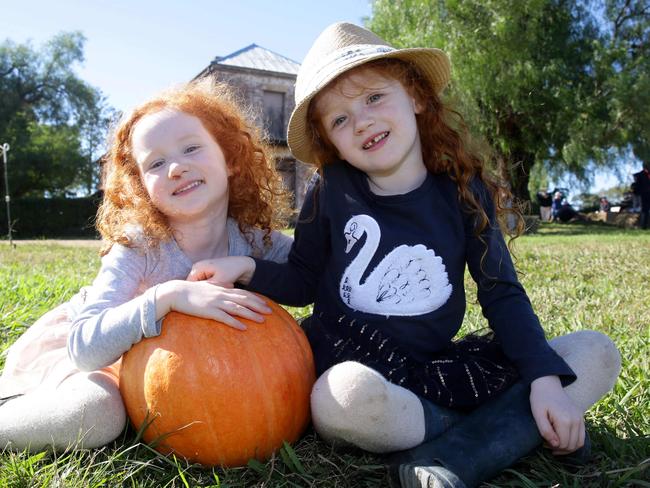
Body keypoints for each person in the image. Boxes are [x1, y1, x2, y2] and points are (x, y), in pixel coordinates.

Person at [189, 23, 621, 488]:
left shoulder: (461, 189)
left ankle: (458, 448)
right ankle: (496, 432)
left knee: (595, 353)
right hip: (356, 369)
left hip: (436, 367)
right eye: (339, 119)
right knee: (340, 400)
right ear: (330, 142)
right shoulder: (330, 190)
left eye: (374, 97)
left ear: (415, 96)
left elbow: (501, 293)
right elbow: (303, 280)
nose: (361, 121)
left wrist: (543, 380)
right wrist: (250, 269)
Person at [0, 80, 293, 452]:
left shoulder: (255, 241)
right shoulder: (140, 247)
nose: (176, 168)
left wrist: (248, 264)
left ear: (231, 157)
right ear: (141, 186)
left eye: (191, 148)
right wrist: (167, 296)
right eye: (156, 163)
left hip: (177, 374)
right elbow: (84, 347)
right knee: (97, 414)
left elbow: (315, 274)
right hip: (98, 356)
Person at [633, 163, 650, 229]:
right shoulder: (639, 175)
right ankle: (644, 226)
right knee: (645, 211)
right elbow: (637, 186)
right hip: (645, 195)